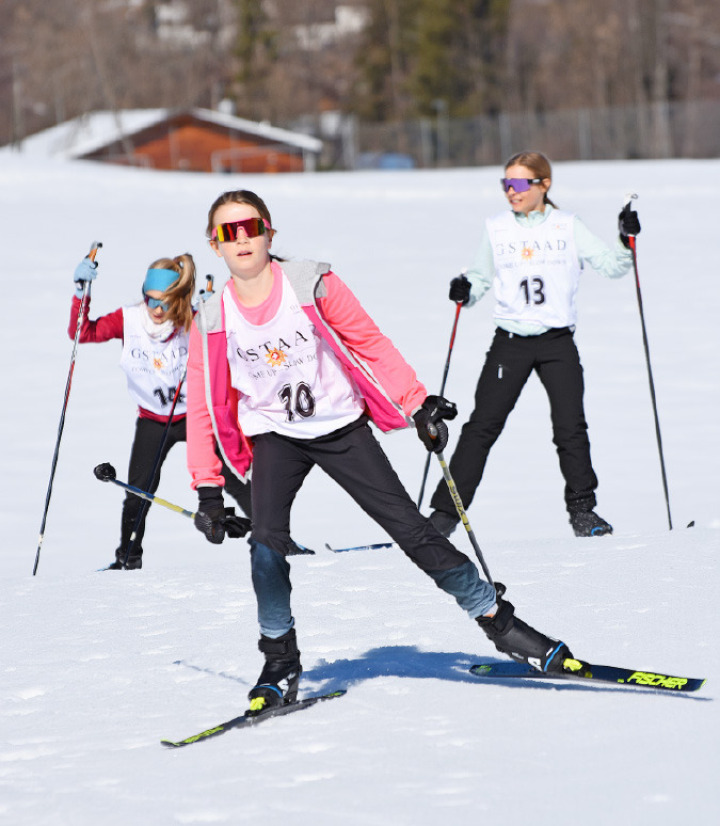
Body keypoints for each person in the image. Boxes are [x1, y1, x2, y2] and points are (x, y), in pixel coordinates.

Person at [187, 188, 576, 711]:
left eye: (250, 227)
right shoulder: (212, 317)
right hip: (275, 436)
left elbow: (369, 341)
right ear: (214, 244)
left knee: (412, 530)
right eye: (227, 232)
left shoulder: (309, 282)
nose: (241, 239)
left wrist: (418, 404)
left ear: (268, 232)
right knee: (265, 544)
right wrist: (208, 487)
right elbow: (201, 406)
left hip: (341, 427)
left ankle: (499, 623)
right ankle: (280, 660)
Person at [427, 151, 641, 539]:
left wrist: (626, 239)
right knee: (482, 427)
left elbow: (612, 265)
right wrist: (464, 290)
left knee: (570, 427)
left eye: (521, 183)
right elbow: (478, 279)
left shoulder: (566, 226)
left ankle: (583, 511)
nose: (512, 191)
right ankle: (443, 517)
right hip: (510, 343)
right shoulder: (496, 229)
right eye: (506, 184)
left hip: (557, 342)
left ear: (544, 185)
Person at [69, 252, 252, 570]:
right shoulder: (128, 319)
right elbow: (82, 333)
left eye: (165, 303)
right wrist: (80, 293)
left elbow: (235, 346)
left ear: (179, 301)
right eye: (150, 299)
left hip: (196, 416)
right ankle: (128, 557)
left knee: (233, 477)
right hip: (153, 419)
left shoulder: (194, 318)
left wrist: (215, 317)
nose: (156, 309)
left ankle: (274, 536)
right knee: (138, 491)